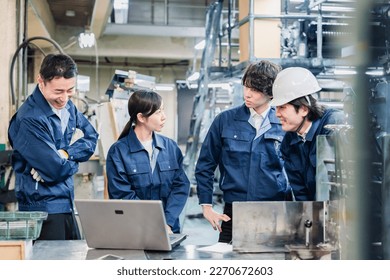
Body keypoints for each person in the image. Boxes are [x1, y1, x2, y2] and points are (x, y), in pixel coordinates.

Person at [195, 60, 288, 243]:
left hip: (274, 212)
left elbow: (296, 170)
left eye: (255, 89)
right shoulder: (225, 121)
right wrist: (206, 206)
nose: (247, 94)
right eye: (246, 87)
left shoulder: (284, 123)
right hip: (233, 212)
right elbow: (205, 165)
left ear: (270, 92)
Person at [8, 53, 99, 240]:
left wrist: (65, 153)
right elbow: (55, 170)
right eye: (58, 91)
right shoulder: (30, 119)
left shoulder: (69, 108)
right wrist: (66, 162)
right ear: (40, 81)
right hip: (42, 210)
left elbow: (91, 137)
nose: (64, 98)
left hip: (66, 202)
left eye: (70, 90)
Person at [106, 90, 190, 234]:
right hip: (134, 230)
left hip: (168, 229)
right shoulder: (118, 152)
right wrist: (153, 225)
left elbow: (180, 187)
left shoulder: (170, 147)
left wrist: (167, 223)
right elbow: (122, 195)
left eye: (163, 110)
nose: (164, 117)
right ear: (141, 117)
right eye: (158, 112)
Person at [271, 66, 345, 201]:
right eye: (276, 108)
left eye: (282, 107)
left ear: (304, 109)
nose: (277, 114)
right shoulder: (288, 143)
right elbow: (301, 194)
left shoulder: (335, 126)